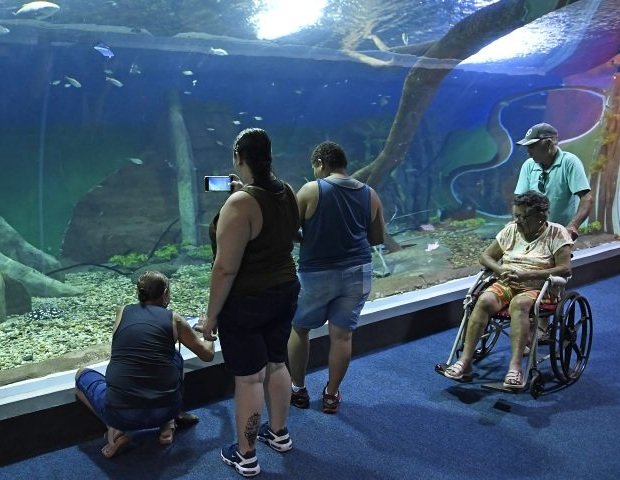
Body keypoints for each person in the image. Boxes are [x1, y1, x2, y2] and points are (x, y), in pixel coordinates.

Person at [200, 128, 300, 477]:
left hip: (247, 301)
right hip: (285, 290)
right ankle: (279, 434)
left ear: (238, 157)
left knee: (249, 379)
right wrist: (243, 191)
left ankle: (246, 455)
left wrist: (211, 317)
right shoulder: (286, 191)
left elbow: (224, 268)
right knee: (276, 362)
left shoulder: (239, 203)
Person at [287, 141, 385, 414]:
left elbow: (289, 229)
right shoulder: (370, 194)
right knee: (342, 336)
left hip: (316, 274)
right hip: (358, 272)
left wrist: (307, 239)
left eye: (314, 167)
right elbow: (378, 237)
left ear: (320, 163)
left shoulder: (311, 190)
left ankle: (298, 389)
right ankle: (331, 395)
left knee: (299, 328)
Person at [75, 271, 215, 458]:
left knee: (81, 376)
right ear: (165, 293)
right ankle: (168, 423)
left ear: (139, 292)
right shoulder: (174, 319)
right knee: (174, 356)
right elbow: (207, 355)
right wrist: (209, 333)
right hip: (167, 409)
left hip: (121, 415)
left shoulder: (122, 311)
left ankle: (115, 431)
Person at [443, 191, 572, 389]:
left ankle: (515, 367)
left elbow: (565, 269)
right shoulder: (511, 230)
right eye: (516, 215)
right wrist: (500, 269)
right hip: (508, 283)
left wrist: (527, 275)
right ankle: (465, 362)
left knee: (519, 304)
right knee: (484, 300)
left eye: (524, 217)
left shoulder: (557, 233)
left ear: (541, 216)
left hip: (539, 288)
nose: (518, 221)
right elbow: (485, 256)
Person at [514, 122, 593, 240]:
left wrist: (573, 225)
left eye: (532, 147)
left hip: (561, 235)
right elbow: (519, 200)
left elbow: (586, 198)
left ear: (548, 144)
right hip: (533, 233)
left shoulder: (569, 162)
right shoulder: (528, 165)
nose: (528, 152)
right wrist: (517, 221)